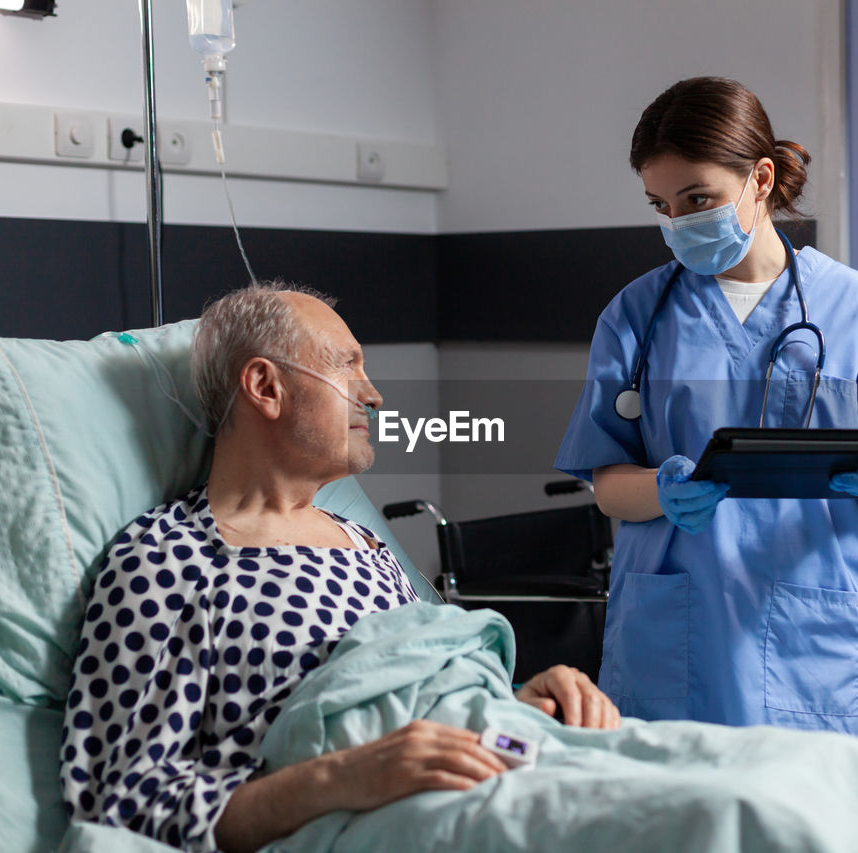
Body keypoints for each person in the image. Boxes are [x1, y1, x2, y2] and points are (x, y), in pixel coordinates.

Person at [59, 282, 621, 853]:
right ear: (265, 387)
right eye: (347, 366)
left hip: (489, 768)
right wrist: (342, 778)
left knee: (701, 771)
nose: (373, 394)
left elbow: (425, 688)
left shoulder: (365, 542)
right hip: (387, 823)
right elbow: (123, 803)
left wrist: (516, 702)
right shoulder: (170, 560)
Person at [555, 77, 858, 747]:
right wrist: (663, 489)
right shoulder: (636, 315)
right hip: (677, 634)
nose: (678, 222)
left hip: (809, 627)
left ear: (760, 178)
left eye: (698, 199)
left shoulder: (854, 306)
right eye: (662, 204)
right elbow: (608, 485)